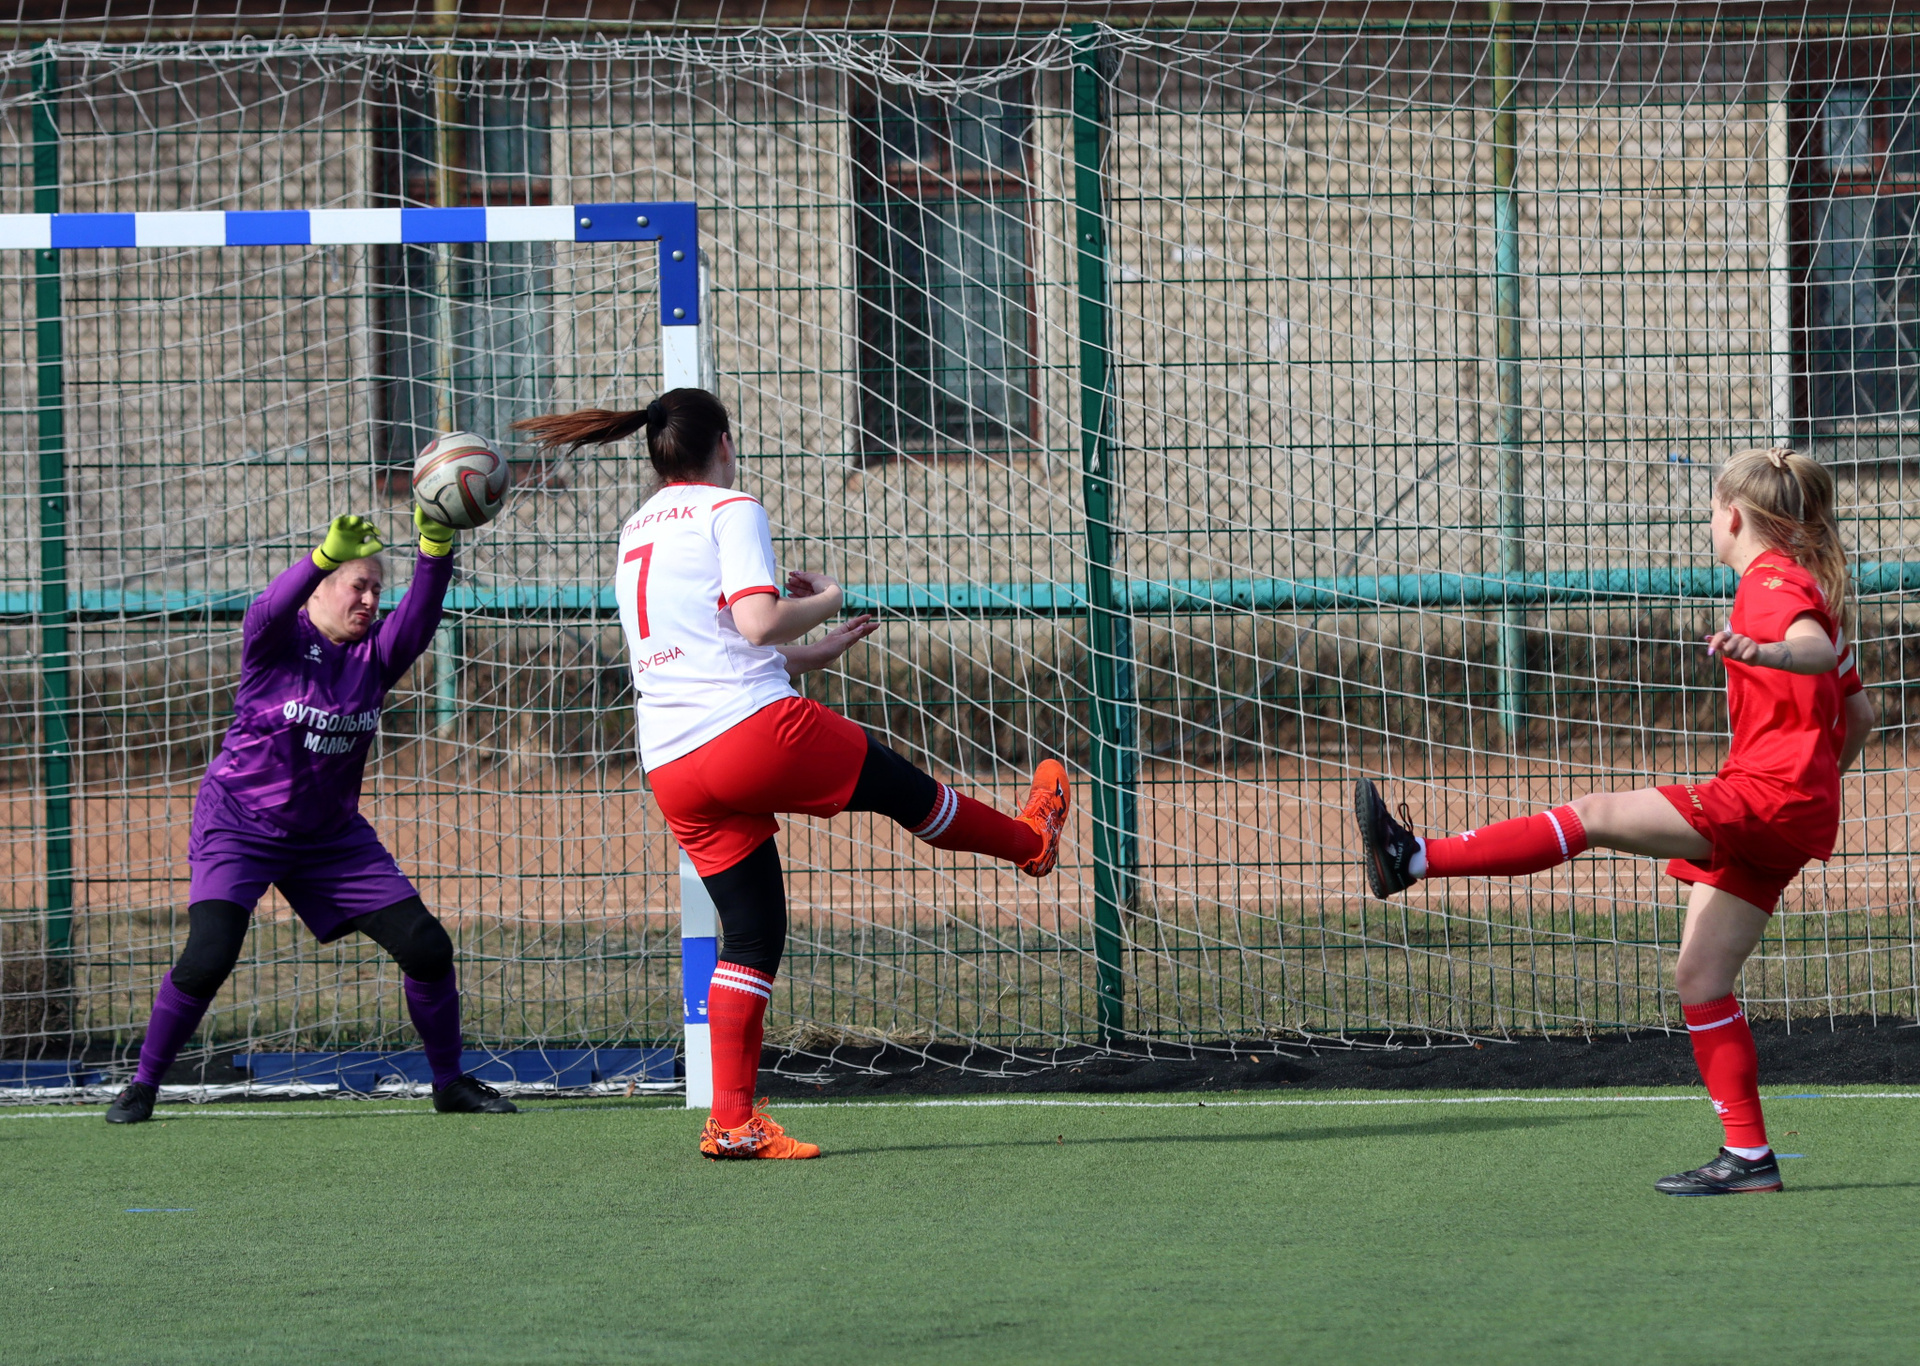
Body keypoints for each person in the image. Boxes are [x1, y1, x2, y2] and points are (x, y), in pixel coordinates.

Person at [514, 389, 1072, 1161]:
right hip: (749, 734)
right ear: (725, 442)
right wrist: (829, 601)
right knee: (905, 790)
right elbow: (756, 623)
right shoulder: (730, 507)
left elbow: (705, 649)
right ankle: (1029, 842)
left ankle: (731, 1123)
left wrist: (809, 655)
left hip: (671, 761)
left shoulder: (637, 528)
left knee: (750, 934)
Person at [1354, 446, 1873, 1195]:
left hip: (1764, 800)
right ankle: (1750, 1159)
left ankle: (1412, 859)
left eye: (1711, 510)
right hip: (1787, 810)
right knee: (1700, 977)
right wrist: (1812, 784)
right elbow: (1862, 717)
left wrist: (1766, 655)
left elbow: (1811, 650)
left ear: (1733, 517)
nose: (1709, 521)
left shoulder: (1770, 583)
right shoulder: (1811, 586)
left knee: (1593, 815)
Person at [106, 506, 517, 1122]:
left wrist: (435, 547)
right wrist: (322, 556)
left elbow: (421, 613)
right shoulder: (278, 641)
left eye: (377, 588)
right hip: (239, 824)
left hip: (330, 837)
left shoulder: (375, 655)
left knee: (427, 947)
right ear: (319, 589)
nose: (370, 600)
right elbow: (266, 608)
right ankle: (142, 1085)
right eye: (358, 585)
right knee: (209, 956)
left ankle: (449, 1084)